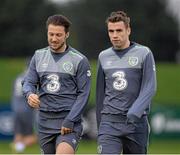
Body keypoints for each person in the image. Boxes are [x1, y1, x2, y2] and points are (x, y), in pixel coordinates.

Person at [22, 14, 91, 154]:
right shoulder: (38, 56)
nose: (54, 39)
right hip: (44, 122)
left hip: (68, 121)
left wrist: (71, 119)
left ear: (67, 35)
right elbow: (28, 82)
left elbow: (84, 94)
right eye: (51, 34)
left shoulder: (79, 60)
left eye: (58, 35)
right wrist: (29, 94)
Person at [96, 10, 157, 154]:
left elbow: (150, 86)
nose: (115, 35)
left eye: (119, 30)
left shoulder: (144, 53)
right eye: (111, 31)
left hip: (136, 124)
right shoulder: (103, 56)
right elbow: (100, 93)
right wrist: (100, 124)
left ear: (128, 30)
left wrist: (135, 112)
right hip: (109, 123)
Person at [11, 70, 37, 153]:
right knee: (36, 135)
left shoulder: (18, 77)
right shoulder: (31, 78)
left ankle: (17, 148)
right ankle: (20, 146)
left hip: (16, 108)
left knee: (18, 132)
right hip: (27, 109)